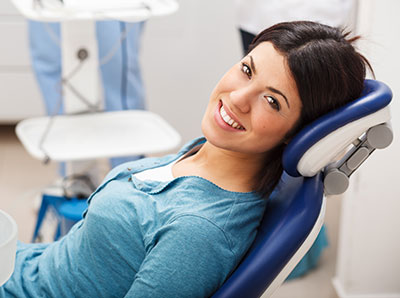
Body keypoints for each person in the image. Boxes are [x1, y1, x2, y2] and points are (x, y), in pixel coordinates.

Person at [1, 21, 371, 297]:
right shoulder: (212, 152)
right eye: (247, 70)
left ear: (298, 131)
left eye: (272, 101)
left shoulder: (198, 234)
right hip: (24, 268)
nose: (239, 98)